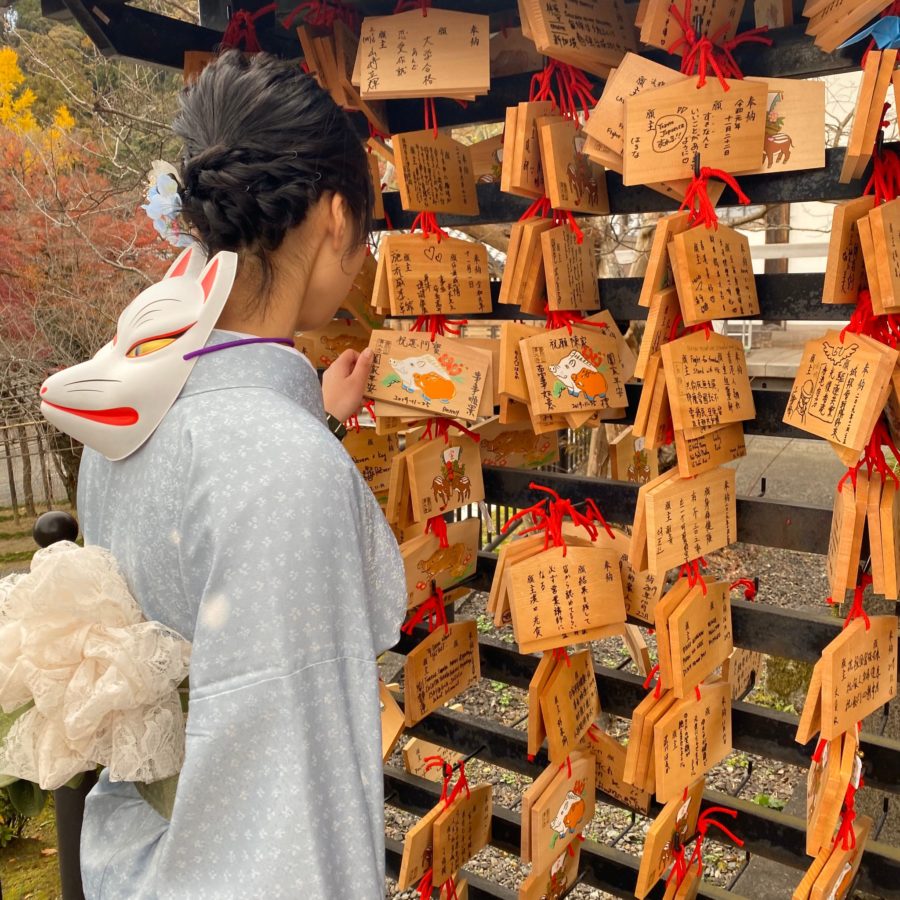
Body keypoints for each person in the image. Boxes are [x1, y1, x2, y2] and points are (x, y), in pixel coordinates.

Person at [72, 51, 407, 898]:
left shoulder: (127, 414)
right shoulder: (284, 470)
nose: (362, 256)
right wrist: (307, 440)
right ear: (336, 217)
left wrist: (313, 418)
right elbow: (301, 811)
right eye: (365, 230)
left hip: (137, 857)